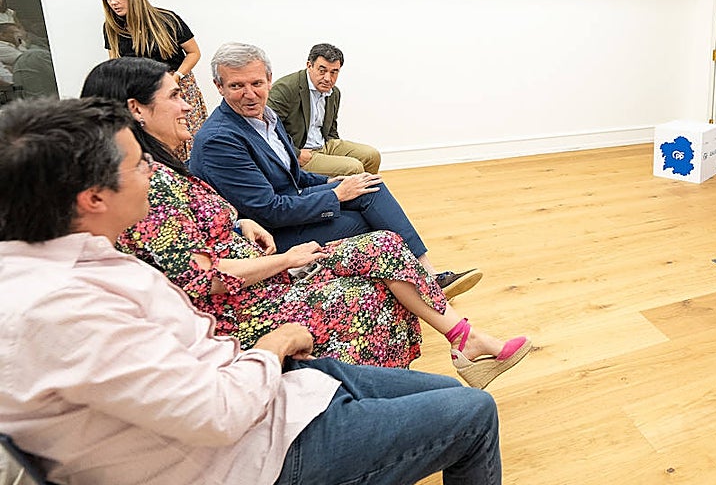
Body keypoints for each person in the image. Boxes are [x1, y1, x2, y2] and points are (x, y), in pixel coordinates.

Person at [0, 97, 555, 485]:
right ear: (94, 196)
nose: (151, 171)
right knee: (471, 413)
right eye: (138, 163)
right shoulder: (61, 311)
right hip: (250, 484)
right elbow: (214, 412)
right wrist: (274, 344)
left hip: (263, 412)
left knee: (421, 389)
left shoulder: (61, 265)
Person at [82, 57, 529, 386]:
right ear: (136, 109)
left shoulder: (163, 164)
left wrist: (237, 223)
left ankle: (462, 337)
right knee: (373, 272)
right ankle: (372, 394)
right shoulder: (154, 178)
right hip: (252, 296)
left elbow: (220, 212)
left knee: (384, 235)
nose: (186, 105)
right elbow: (202, 279)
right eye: (176, 95)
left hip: (261, 264)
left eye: (258, 83)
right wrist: (287, 255)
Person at [191, 42, 481, 298]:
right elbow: (268, 210)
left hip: (291, 204)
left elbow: (292, 175)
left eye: (256, 83)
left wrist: (331, 181)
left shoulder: (268, 116)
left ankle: (427, 273)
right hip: (268, 234)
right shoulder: (221, 139)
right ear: (219, 87)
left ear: (269, 79)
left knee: (369, 185)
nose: (249, 94)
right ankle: (421, 284)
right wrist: (337, 195)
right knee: (370, 224)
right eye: (236, 86)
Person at [101, 0, 208, 155]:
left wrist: (176, 77)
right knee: (157, 144)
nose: (113, 2)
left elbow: (193, 53)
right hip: (143, 92)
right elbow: (115, 65)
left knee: (189, 137)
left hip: (178, 85)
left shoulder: (166, 19)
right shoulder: (112, 28)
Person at [268, 42, 381, 176]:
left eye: (334, 72)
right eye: (322, 71)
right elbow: (267, 129)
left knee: (372, 156)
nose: (328, 78)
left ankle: (367, 196)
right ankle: (347, 194)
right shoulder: (286, 89)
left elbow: (331, 129)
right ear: (309, 65)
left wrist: (336, 153)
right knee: (353, 167)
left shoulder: (334, 93)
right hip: (301, 151)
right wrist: (295, 153)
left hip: (325, 145)